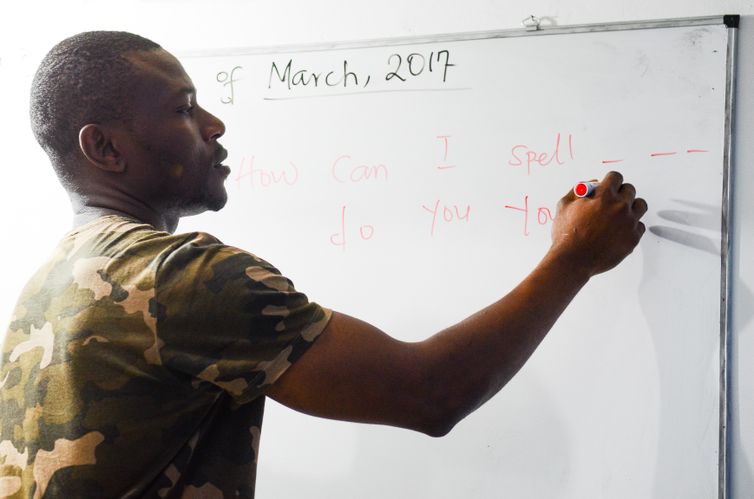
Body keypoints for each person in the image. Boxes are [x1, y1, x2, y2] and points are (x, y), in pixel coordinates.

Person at [0, 31, 647, 498]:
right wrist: (573, 259)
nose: (216, 124)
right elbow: (430, 394)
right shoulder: (179, 277)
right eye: (183, 108)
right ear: (104, 147)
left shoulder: (49, 279)